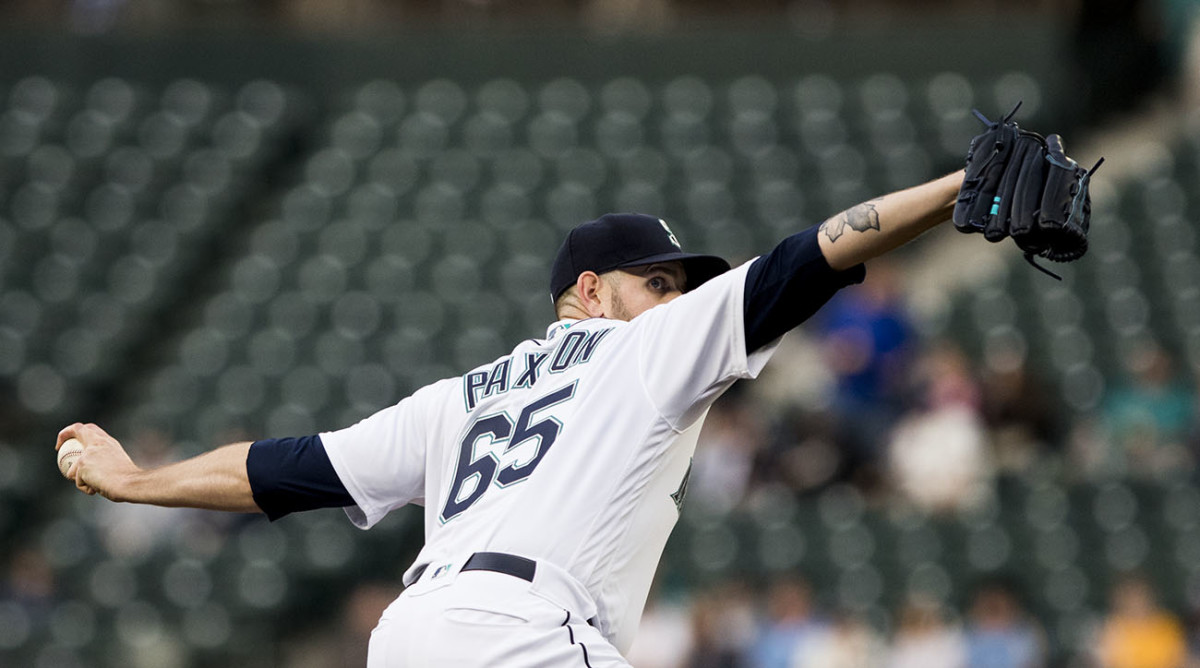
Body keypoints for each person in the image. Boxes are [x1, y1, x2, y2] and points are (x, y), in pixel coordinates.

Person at [57, 168, 967, 666]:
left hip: (412, 636)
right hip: (524, 634)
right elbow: (808, 260)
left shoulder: (457, 398)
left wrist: (138, 481)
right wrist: (962, 188)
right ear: (588, 289)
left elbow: (285, 470)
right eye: (654, 281)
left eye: (675, 287)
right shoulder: (642, 349)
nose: (671, 296)